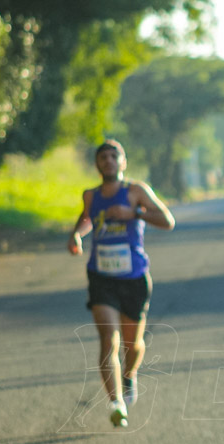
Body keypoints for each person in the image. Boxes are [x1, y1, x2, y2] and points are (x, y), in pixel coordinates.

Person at [68, 139, 175, 428]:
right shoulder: (91, 195)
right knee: (109, 340)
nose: (108, 162)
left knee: (133, 344)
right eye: (103, 158)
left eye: (113, 157)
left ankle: (129, 375)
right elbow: (87, 218)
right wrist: (77, 234)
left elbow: (167, 220)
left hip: (134, 278)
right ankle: (116, 403)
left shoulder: (136, 191)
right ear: (97, 164)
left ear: (122, 162)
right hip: (102, 278)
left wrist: (135, 213)